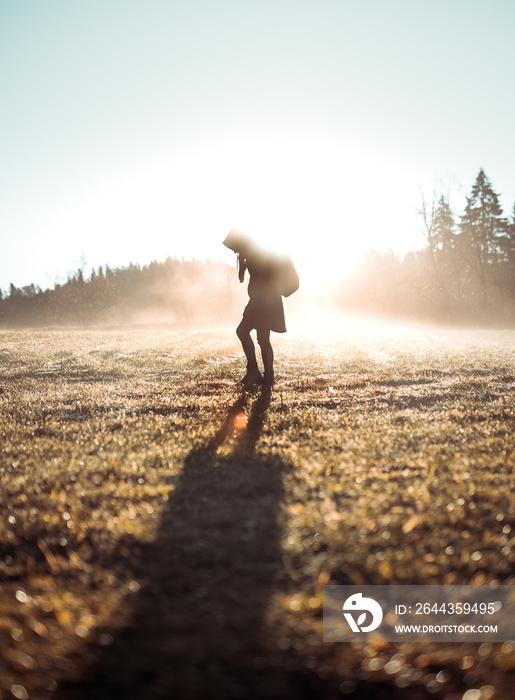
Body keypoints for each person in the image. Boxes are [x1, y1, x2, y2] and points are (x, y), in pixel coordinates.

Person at [223, 230, 286, 388]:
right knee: (262, 339)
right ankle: (265, 376)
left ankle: (256, 373)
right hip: (264, 301)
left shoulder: (254, 253)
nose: (235, 251)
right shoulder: (252, 252)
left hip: (263, 302)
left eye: (235, 248)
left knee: (243, 332)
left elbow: (265, 276)